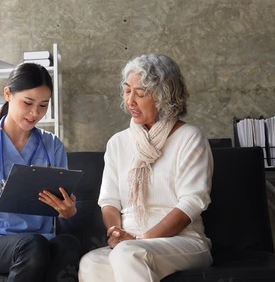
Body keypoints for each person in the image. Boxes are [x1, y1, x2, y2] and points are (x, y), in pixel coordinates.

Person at [78, 54, 214, 281]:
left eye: (140, 93)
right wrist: (116, 233)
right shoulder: (118, 143)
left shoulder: (190, 138)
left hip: (183, 241)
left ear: (164, 97)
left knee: (128, 254)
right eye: (127, 90)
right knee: (90, 263)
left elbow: (192, 202)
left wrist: (142, 240)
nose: (130, 101)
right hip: (129, 242)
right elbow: (109, 201)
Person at [0, 62, 81, 282]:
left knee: (68, 244)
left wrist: (68, 210)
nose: (35, 113)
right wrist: (10, 198)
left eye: (43, 105)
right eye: (28, 102)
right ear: (8, 94)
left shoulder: (52, 145)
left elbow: (64, 210)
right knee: (32, 245)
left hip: (39, 240)